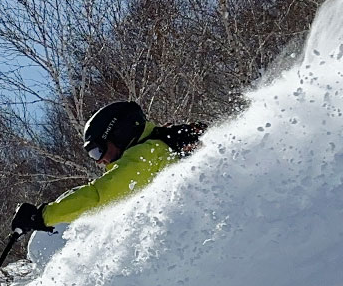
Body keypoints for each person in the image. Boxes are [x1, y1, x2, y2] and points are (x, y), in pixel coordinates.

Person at [12, 100, 205, 234]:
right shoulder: (156, 147)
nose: (99, 161)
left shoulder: (145, 153)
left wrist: (43, 216)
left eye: (98, 150)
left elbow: (100, 195)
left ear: (119, 133)